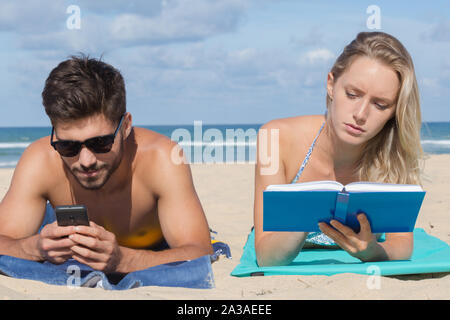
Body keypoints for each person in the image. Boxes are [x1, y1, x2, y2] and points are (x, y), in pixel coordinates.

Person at [0, 55, 213, 274]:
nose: (86, 161)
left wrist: (124, 260)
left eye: (100, 142)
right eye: (68, 147)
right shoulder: (40, 160)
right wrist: (34, 248)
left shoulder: (162, 158)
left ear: (126, 126)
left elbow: (200, 251)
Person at [254, 31, 424, 266]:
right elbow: (266, 257)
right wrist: (306, 211)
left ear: (395, 111)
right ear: (331, 85)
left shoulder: (391, 156)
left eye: (380, 104)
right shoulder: (275, 138)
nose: (360, 114)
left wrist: (372, 252)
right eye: (352, 94)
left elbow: (403, 245)